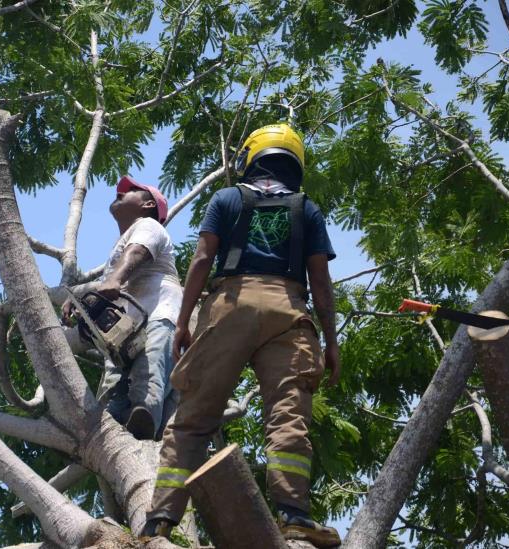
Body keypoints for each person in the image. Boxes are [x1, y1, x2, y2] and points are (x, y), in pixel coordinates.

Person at [141, 124, 342, 547]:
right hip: (288, 309)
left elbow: (201, 260)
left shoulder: (228, 198)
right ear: (295, 163)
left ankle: (159, 519)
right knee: (288, 417)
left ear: (251, 157)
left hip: (229, 305)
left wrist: (183, 322)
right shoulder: (306, 208)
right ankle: (293, 514)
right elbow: (321, 283)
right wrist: (330, 340)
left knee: (194, 418)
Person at [63, 175, 182, 440]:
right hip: (130, 330)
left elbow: (136, 254)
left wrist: (115, 281)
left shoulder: (149, 226)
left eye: (131, 191)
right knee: (118, 386)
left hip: (158, 314)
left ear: (148, 204)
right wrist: (80, 299)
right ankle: (118, 426)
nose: (121, 192)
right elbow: (107, 280)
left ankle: (144, 413)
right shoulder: (119, 247)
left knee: (149, 370)